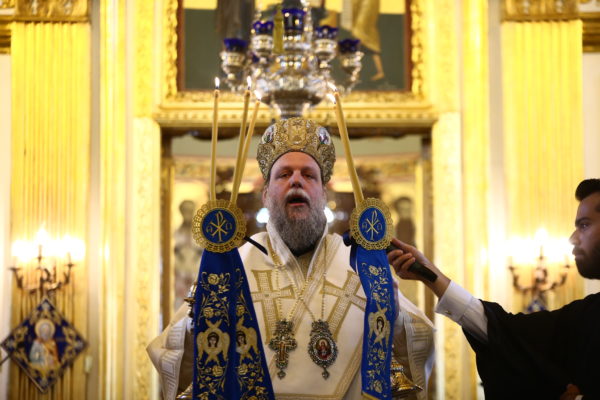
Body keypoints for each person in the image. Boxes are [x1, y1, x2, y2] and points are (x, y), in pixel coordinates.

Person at [148, 118, 434, 400]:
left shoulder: (361, 264)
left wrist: (394, 316)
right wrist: (200, 319)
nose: (296, 181)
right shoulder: (233, 266)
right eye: (284, 174)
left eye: (308, 175)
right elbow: (170, 353)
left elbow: (420, 339)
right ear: (265, 195)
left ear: (323, 194)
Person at [388, 178, 600, 400]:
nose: (573, 238)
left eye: (585, 225)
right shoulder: (588, 315)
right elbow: (506, 334)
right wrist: (430, 275)